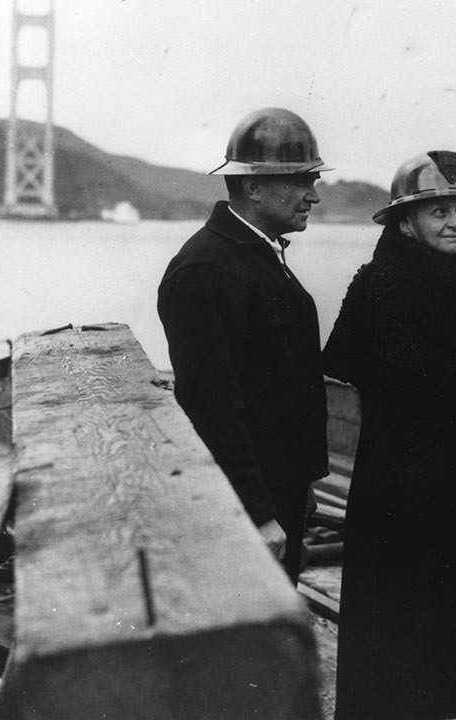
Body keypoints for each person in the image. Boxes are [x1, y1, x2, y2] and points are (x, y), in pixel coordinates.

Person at [323, 150, 456, 720]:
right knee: (404, 645)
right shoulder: (382, 284)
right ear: (404, 220)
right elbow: (401, 378)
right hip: (404, 492)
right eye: (438, 211)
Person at [157, 106, 331, 585]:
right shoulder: (207, 271)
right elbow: (212, 406)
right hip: (247, 505)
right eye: (300, 181)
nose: (313, 196)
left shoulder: (258, 257)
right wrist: (256, 512)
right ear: (253, 187)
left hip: (279, 492)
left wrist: (300, 486)